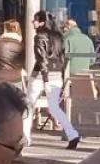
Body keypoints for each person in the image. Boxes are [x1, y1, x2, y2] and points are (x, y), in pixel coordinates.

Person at [33, 12, 81, 150]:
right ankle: (72, 134)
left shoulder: (39, 37)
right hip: (56, 73)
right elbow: (63, 58)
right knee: (54, 107)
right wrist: (61, 75)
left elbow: (42, 58)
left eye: (35, 20)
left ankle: (23, 138)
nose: (33, 22)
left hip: (40, 74)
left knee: (28, 104)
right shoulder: (59, 36)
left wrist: (45, 79)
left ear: (42, 22)